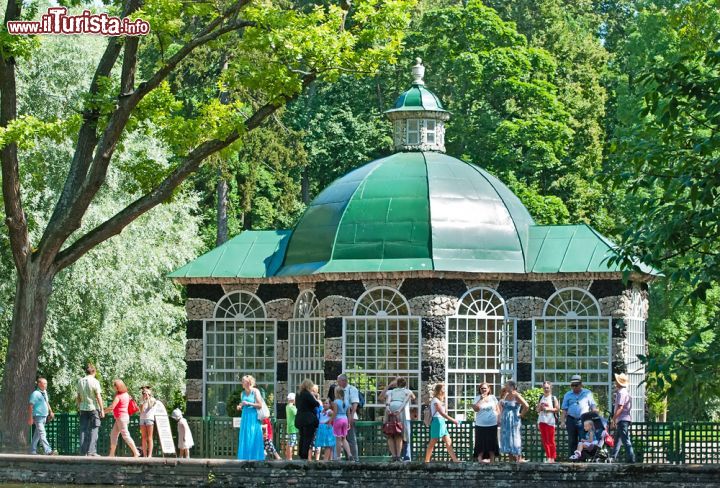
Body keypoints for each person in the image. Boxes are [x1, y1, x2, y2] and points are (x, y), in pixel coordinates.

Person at [560, 374, 598, 458]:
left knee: (583, 440)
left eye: (576, 385)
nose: (574, 387)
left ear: (581, 384)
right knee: (572, 440)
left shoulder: (587, 393)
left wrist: (595, 415)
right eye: (572, 385)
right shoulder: (567, 395)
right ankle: (572, 459)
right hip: (571, 419)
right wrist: (562, 421)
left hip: (583, 420)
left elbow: (593, 406)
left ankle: (582, 459)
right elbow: (564, 410)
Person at [104, 379, 140, 457]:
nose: (113, 388)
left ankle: (136, 452)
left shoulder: (118, 396)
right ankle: (112, 454)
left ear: (117, 387)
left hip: (121, 418)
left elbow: (111, 407)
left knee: (125, 435)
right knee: (113, 434)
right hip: (122, 417)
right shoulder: (126, 394)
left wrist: (103, 412)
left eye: (114, 386)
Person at [424, 383, 459, 463]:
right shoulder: (435, 400)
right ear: (439, 390)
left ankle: (455, 460)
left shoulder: (440, 400)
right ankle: (426, 460)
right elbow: (442, 413)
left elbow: (443, 412)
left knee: (448, 441)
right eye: (443, 388)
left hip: (441, 421)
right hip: (437, 421)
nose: (445, 390)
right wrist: (453, 420)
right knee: (433, 441)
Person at [382, 377, 415, 462]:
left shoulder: (391, 391)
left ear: (396, 384)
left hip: (390, 407)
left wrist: (388, 408)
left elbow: (384, 397)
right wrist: (399, 410)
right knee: (399, 433)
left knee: (390, 433)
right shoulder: (407, 391)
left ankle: (393, 456)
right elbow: (412, 398)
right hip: (400, 409)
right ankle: (398, 456)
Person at [76, 363, 104, 456]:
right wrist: (102, 409)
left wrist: (78, 407)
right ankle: (92, 451)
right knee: (94, 429)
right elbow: (98, 396)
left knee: (83, 430)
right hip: (93, 408)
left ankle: (83, 452)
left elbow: (78, 396)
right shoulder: (95, 381)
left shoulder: (80, 381)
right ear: (94, 372)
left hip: (83, 408)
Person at [236, 375, 265, 460]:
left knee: (253, 436)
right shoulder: (242, 393)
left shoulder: (255, 391)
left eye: (243, 381)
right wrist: (240, 406)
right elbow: (243, 404)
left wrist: (249, 404)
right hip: (245, 417)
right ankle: (244, 459)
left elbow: (260, 405)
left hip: (253, 418)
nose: (242, 382)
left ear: (248, 382)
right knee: (245, 437)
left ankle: (255, 458)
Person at [499, 380, 529, 462]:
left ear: (512, 386)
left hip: (514, 420)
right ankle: (511, 458)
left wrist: (521, 414)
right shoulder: (506, 395)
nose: (505, 387)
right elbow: (501, 405)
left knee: (514, 437)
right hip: (505, 420)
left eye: (507, 385)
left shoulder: (516, 395)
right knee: (507, 437)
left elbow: (526, 405)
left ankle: (518, 458)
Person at [333, 374, 360, 462]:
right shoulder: (340, 391)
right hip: (345, 417)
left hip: (347, 417)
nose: (337, 383)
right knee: (344, 438)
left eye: (339, 381)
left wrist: (351, 417)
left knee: (350, 438)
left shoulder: (352, 389)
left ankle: (354, 458)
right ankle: (348, 456)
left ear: (344, 381)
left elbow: (355, 403)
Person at [610, 373, 636, 463]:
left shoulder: (621, 393)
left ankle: (631, 458)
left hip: (622, 419)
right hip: (623, 419)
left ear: (619, 383)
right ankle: (613, 457)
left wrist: (613, 419)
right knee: (617, 439)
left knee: (625, 439)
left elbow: (620, 407)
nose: (615, 383)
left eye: (616, 381)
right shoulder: (625, 392)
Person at [471, 382, 499, 463]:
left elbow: (498, 409)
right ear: (479, 389)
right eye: (482, 388)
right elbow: (476, 409)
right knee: (480, 442)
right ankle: (480, 459)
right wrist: (481, 399)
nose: (483, 390)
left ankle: (492, 460)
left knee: (492, 442)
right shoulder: (477, 398)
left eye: (485, 388)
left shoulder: (493, 398)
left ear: (488, 389)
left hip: (492, 424)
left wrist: (498, 418)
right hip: (480, 424)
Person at [27, 377, 56, 455]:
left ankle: (32, 451)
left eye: (46, 383)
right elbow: (30, 406)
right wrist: (30, 418)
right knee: (42, 433)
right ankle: (48, 450)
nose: (46, 385)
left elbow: (47, 402)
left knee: (37, 434)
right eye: (44, 383)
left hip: (44, 416)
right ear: (39, 384)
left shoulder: (44, 392)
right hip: (38, 416)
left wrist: (51, 411)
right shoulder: (35, 394)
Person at [296, 379, 321, 461]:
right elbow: (316, 403)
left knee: (302, 437)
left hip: (300, 418)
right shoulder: (307, 394)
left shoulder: (298, 394)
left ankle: (301, 455)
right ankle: (305, 456)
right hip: (308, 419)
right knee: (308, 438)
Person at [537, 381, 559, 463]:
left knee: (551, 440)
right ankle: (548, 457)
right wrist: (540, 408)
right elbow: (537, 410)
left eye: (547, 388)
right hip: (542, 420)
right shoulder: (541, 397)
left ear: (550, 388)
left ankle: (552, 458)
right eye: (544, 388)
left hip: (550, 421)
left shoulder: (553, 398)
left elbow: (557, 409)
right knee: (545, 440)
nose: (546, 389)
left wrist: (548, 409)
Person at [330, 387, 354, 460]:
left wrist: (330, 420)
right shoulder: (347, 401)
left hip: (338, 420)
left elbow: (335, 413)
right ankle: (349, 454)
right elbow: (349, 414)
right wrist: (349, 423)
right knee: (344, 439)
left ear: (336, 393)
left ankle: (338, 457)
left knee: (338, 439)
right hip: (345, 420)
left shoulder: (336, 402)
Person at [139, 386, 157, 457]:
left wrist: (148, 398)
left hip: (149, 419)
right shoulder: (142, 400)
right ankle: (145, 455)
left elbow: (150, 406)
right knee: (143, 437)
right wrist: (143, 401)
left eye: (146, 392)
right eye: (143, 393)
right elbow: (141, 410)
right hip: (142, 419)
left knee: (150, 437)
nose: (144, 394)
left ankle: (150, 455)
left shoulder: (153, 399)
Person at [285, 392, 298, 460]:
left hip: (289, 427)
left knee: (288, 443)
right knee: (291, 444)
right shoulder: (292, 407)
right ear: (293, 399)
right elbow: (297, 413)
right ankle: (290, 458)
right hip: (293, 427)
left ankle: (288, 457)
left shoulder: (287, 406)